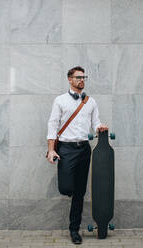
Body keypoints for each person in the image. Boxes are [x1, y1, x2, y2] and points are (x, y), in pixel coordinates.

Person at [46, 66, 108, 245]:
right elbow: (53, 125)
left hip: (84, 149)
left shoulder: (91, 102)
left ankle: (74, 230)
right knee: (66, 188)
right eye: (78, 77)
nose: (82, 80)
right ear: (69, 79)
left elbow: (95, 123)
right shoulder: (60, 100)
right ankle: (70, 190)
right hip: (66, 148)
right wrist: (51, 150)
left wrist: (100, 127)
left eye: (84, 77)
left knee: (79, 193)